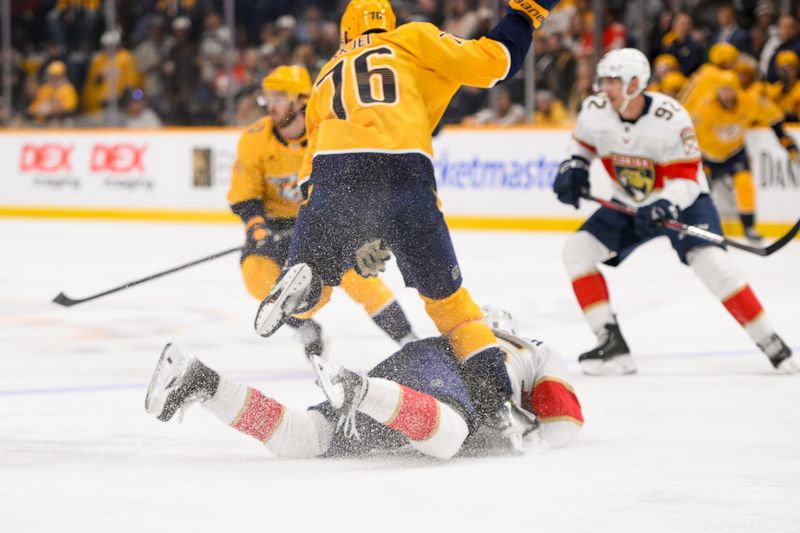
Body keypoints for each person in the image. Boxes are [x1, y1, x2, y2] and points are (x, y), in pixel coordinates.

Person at [254, 0, 561, 426]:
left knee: (317, 285)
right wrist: (524, 16)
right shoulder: (412, 38)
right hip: (404, 169)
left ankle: (308, 280)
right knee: (453, 308)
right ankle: (499, 408)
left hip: (333, 174)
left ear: (346, 33)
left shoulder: (326, 73)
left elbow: (309, 172)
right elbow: (495, 63)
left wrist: (353, 234)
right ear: (389, 22)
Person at [552, 48, 797, 376]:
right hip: (629, 203)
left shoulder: (671, 118)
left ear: (635, 84)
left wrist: (665, 204)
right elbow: (581, 144)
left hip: (685, 203)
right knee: (577, 252)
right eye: (604, 80)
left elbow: (686, 178)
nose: (604, 88)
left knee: (712, 263)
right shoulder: (595, 110)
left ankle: (770, 341)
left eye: (613, 81)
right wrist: (574, 166)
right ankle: (612, 345)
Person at [144, 307, 583, 459]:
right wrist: (515, 438)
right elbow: (564, 424)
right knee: (449, 438)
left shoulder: (467, 331)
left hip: (413, 369)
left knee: (303, 437)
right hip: (443, 372)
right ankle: (361, 389)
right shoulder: (532, 348)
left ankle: (202, 382)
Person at [228, 65, 417, 357]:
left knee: (362, 282)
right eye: (267, 97)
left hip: (324, 222)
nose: (271, 105)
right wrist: (257, 227)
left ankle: (411, 343)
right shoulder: (254, 138)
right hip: (276, 227)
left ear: (301, 100)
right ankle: (306, 329)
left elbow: (353, 187)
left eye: (279, 97)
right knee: (257, 277)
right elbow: (246, 194)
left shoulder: (329, 133)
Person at [692, 70, 798, 242]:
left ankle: (748, 226)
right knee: (701, 191)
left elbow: (774, 118)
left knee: (745, 184)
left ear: (737, 89)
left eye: (730, 89)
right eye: (723, 89)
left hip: (735, 152)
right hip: (708, 156)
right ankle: (698, 224)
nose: (727, 93)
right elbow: (689, 136)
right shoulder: (704, 108)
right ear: (717, 90)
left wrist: (787, 143)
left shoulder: (748, 101)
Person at [27, 61, 78, 125]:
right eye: (52, 76)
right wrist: (37, 110)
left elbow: (70, 109)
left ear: (63, 76)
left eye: (58, 76)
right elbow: (35, 106)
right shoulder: (46, 88)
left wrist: (56, 107)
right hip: (43, 122)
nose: (55, 78)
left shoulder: (68, 89)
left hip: (62, 121)